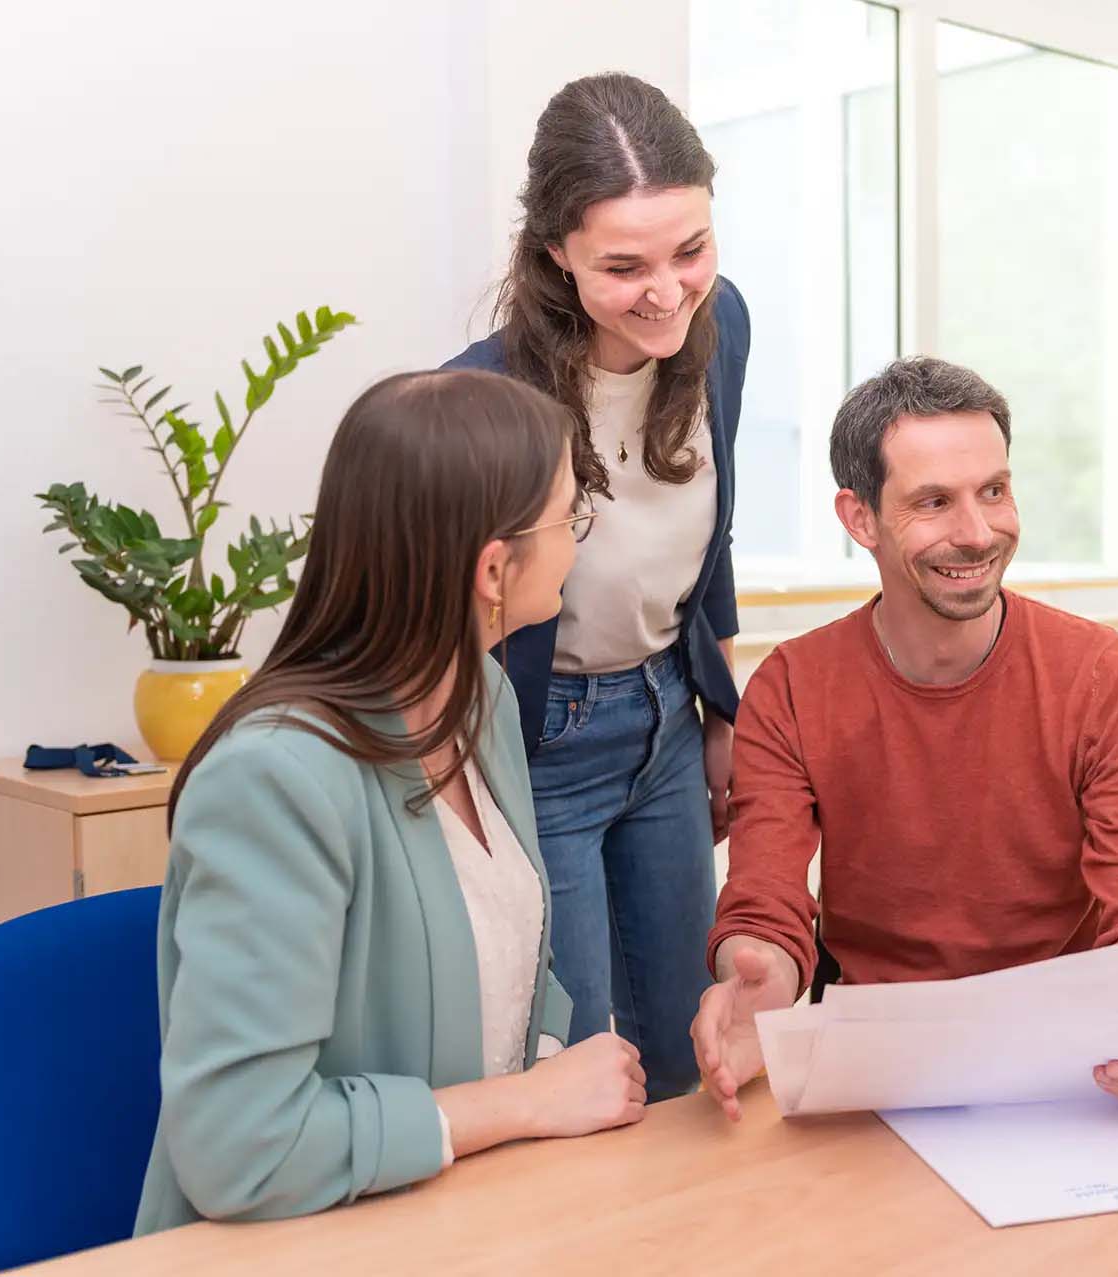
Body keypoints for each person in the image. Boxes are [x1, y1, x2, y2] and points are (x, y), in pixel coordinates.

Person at [135, 370, 646, 1233]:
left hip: (469, 1215)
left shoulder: (482, 699)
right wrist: (524, 1102)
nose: (577, 540)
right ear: (494, 569)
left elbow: (509, 964)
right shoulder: (272, 779)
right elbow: (238, 1146)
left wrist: (562, 1071)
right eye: (570, 517)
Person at [690, 356, 1118, 1125]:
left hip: (1069, 1061)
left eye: (994, 490)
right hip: (877, 1066)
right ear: (859, 518)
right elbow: (766, 903)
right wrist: (759, 981)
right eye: (934, 502)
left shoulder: (1101, 675)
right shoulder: (792, 684)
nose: (978, 532)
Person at [446, 73, 748, 1101]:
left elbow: (713, 533)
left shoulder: (724, 323)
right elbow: (459, 616)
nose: (667, 292)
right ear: (554, 254)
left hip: (668, 716)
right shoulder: (484, 394)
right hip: (541, 742)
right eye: (623, 266)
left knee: (689, 1052)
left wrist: (723, 710)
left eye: (690, 250)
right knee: (573, 1065)